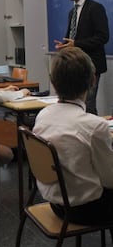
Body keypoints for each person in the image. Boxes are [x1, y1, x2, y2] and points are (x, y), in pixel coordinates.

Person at [33, 47, 113, 225]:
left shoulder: (43, 115)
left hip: (54, 201)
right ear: (93, 81)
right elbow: (109, 178)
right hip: (86, 208)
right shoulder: (95, 126)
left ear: (53, 83)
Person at [53, 0, 109, 115]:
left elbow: (103, 37)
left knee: (88, 105)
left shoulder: (95, 8)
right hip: (74, 65)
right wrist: (63, 45)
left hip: (92, 65)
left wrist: (76, 44)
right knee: (74, 105)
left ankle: (93, 135)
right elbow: (71, 37)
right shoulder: (72, 12)